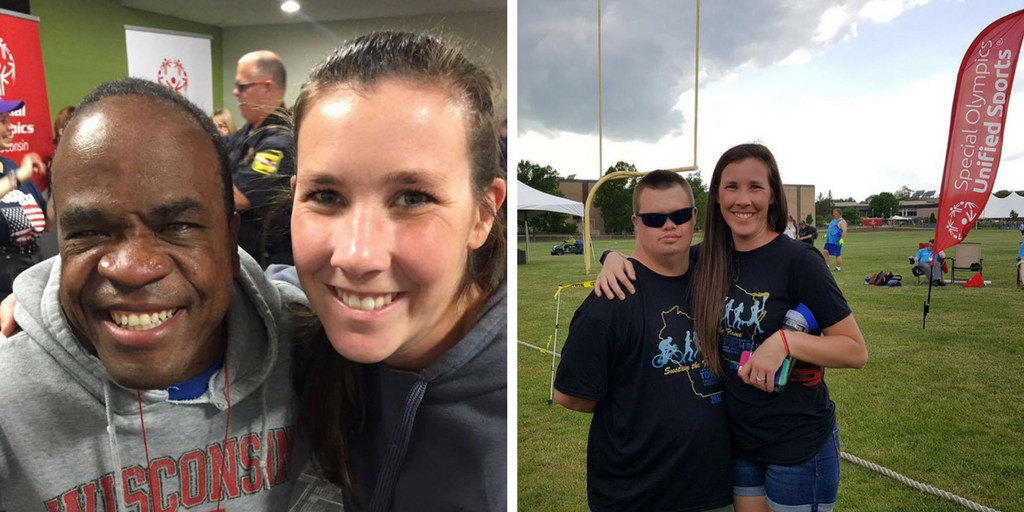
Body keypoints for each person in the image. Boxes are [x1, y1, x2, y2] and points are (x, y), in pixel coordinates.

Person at [0, 78, 306, 509]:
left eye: (177, 227)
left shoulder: (312, 345)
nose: (131, 269)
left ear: (231, 242)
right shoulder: (8, 391)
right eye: (88, 232)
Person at [282, 31, 508, 511]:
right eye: (326, 196)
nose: (357, 256)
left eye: (413, 198)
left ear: (483, 215)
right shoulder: (282, 326)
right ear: (295, 194)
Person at [598, 144, 868, 512]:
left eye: (755, 186)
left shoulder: (799, 262)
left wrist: (787, 342)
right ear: (717, 196)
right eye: (732, 187)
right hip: (737, 442)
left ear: (773, 195)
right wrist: (611, 257)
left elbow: (855, 350)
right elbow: (652, 259)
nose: (744, 200)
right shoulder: (705, 258)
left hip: (797, 445)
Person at [554, 170, 732, 512]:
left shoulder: (711, 273)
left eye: (679, 215)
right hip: (637, 497)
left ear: (694, 217)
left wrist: (610, 253)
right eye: (654, 219)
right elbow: (572, 396)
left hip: (716, 491)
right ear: (636, 222)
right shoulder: (611, 301)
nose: (669, 226)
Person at [227, 50, 294, 267]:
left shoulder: (280, 140)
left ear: (267, 86)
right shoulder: (247, 133)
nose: (235, 92)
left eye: (242, 86)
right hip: (239, 251)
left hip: (264, 263)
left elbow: (239, 198)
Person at [0, 98, 48, 298]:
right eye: (3, 120)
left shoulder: (12, 166)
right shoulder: (18, 175)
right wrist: (18, 177)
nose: (12, 127)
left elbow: (49, 223)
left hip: (32, 270)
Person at [823, 208, 847, 272]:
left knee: (837, 254)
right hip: (829, 240)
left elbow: (844, 230)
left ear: (840, 214)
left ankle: (838, 268)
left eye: (835, 214)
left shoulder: (842, 221)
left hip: (836, 241)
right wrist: (826, 235)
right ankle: (827, 266)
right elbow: (830, 229)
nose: (834, 215)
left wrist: (842, 239)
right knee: (825, 251)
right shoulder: (833, 221)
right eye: (833, 213)